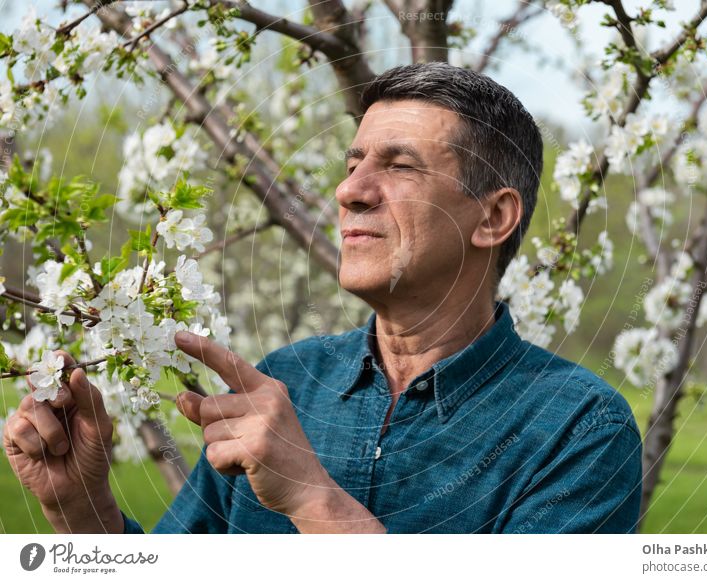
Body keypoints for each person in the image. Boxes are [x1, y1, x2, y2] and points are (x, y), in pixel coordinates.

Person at [3, 62, 642, 534]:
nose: (351, 191)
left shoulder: (578, 430)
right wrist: (81, 508)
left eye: (399, 165)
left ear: (494, 217)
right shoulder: (285, 383)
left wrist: (312, 499)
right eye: (353, 161)